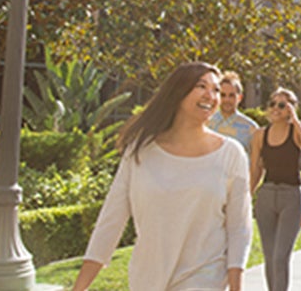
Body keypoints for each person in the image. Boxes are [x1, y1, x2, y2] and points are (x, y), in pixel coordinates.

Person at [72, 62, 252, 291]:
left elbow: (239, 226)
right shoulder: (140, 151)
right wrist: (79, 288)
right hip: (147, 280)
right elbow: (111, 220)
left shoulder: (230, 154)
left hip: (205, 279)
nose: (212, 95)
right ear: (178, 92)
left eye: (216, 89)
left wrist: (236, 287)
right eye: (201, 86)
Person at [249, 87, 301, 291]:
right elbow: (255, 169)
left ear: (290, 108)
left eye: (282, 105)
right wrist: (247, 196)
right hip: (267, 197)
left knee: (280, 257)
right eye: (273, 104)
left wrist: (296, 120)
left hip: (291, 197)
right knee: (269, 257)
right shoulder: (260, 135)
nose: (276, 109)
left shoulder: (298, 130)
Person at [208, 70, 259, 155]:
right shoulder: (207, 123)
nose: (227, 100)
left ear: (239, 97)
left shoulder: (251, 128)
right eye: (223, 95)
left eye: (231, 95)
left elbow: (256, 162)